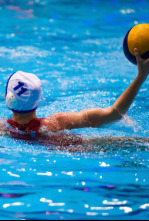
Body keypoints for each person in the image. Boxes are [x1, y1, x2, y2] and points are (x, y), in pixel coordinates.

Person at [1, 48, 149, 148]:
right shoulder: (55, 123)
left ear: (7, 98)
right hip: (78, 148)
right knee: (127, 143)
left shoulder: (3, 129)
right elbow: (114, 113)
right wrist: (141, 76)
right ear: (39, 98)